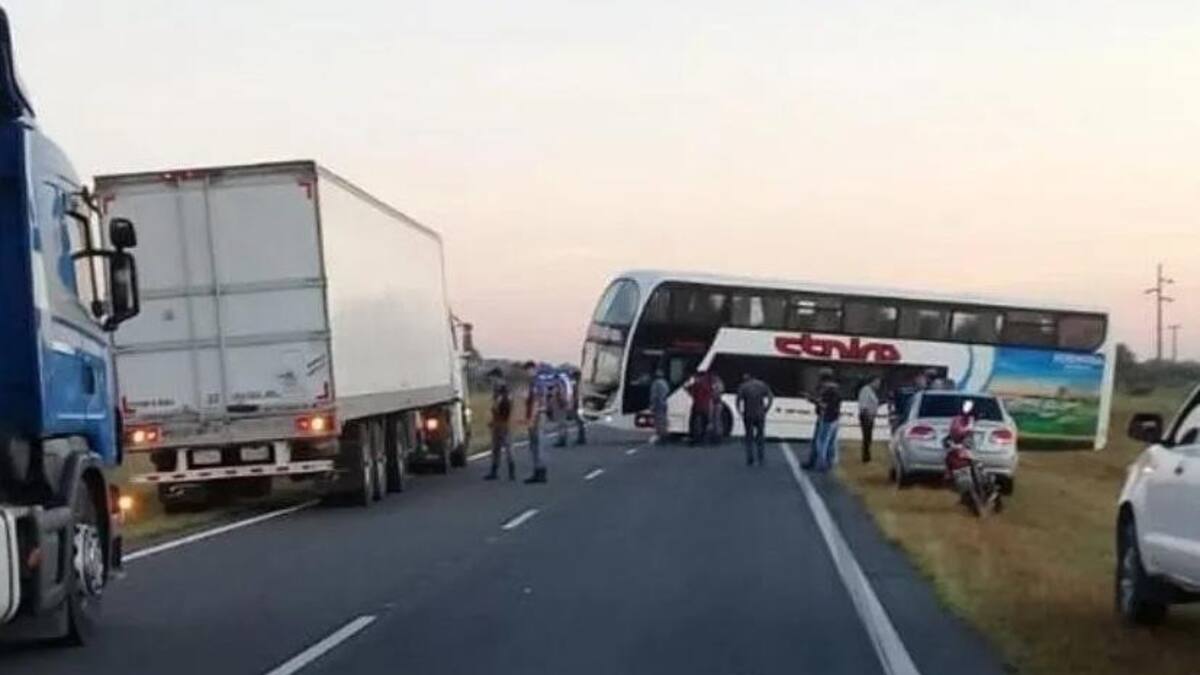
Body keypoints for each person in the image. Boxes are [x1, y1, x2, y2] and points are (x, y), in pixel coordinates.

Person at [522, 360, 555, 483]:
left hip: (538, 415)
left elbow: (536, 402)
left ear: (533, 369)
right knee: (534, 445)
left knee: (537, 444)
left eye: (528, 370)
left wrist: (531, 418)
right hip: (537, 414)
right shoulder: (535, 383)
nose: (527, 373)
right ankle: (538, 470)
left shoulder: (536, 383)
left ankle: (540, 471)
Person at [736, 373, 774, 466]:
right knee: (760, 436)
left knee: (749, 437)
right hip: (760, 414)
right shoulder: (761, 385)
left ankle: (750, 458)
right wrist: (766, 408)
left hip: (748, 414)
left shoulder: (743, 387)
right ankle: (761, 458)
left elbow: (738, 401)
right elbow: (770, 397)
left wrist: (740, 412)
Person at [484, 382, 516, 481]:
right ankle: (510, 471)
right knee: (504, 448)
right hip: (503, 425)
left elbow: (500, 413)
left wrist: (494, 422)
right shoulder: (507, 399)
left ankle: (499, 470)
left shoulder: (502, 400)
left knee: (501, 449)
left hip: (502, 426)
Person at [812, 373, 842, 471]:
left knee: (821, 442)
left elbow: (825, 405)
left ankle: (822, 463)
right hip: (835, 418)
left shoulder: (828, 392)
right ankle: (830, 461)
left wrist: (815, 401)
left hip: (827, 418)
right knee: (831, 442)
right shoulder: (837, 391)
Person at [686, 370, 714, 445]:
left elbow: (689, 390)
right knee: (705, 423)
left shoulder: (697, 384)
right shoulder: (708, 384)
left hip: (698, 406)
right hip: (705, 407)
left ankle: (695, 438)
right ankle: (704, 438)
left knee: (693, 422)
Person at [857, 376, 881, 463]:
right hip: (866, 416)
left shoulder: (871, 391)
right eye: (877, 382)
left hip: (870, 416)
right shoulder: (865, 390)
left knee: (868, 437)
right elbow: (863, 405)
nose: (879, 385)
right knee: (867, 437)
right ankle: (865, 456)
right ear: (872, 381)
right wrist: (868, 416)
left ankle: (867, 455)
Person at [648, 369, 671, 443]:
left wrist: (652, 404)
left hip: (658, 404)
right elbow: (667, 392)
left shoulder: (656, 383)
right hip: (664, 403)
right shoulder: (664, 383)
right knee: (663, 419)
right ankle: (665, 433)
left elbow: (654, 395)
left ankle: (660, 435)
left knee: (658, 420)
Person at [569, 369, 586, 445]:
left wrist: (573, 404)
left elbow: (576, 396)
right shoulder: (580, 384)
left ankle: (581, 438)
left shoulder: (577, 384)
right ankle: (581, 437)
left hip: (579, 405)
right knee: (580, 422)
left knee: (579, 421)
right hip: (580, 405)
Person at [709, 372, 726, 442]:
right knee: (713, 419)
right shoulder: (714, 383)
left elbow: (720, 391)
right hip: (713, 402)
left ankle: (717, 435)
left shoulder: (718, 383)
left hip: (717, 402)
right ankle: (714, 434)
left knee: (717, 419)